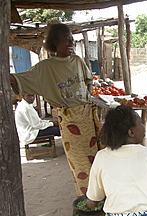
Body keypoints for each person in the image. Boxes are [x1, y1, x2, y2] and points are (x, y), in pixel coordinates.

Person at [10, 23, 101, 196]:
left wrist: (86, 100)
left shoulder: (78, 61)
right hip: (70, 121)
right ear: (55, 43)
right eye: (66, 39)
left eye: (72, 40)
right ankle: (88, 200)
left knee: (98, 158)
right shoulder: (45, 68)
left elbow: (88, 81)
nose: (71, 43)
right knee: (80, 162)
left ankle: (102, 195)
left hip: (88, 117)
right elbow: (18, 79)